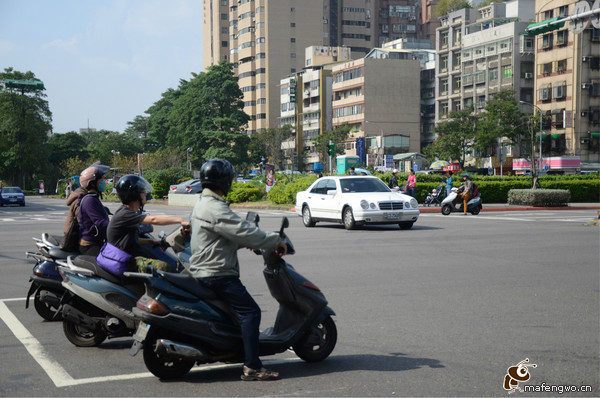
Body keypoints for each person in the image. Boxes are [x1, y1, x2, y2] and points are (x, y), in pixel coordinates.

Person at [188, 159, 287, 381]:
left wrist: (248, 243)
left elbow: (222, 237)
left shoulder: (203, 203)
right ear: (224, 181)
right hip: (217, 272)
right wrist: (275, 240)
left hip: (205, 268)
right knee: (251, 312)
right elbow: (244, 230)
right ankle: (252, 366)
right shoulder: (215, 207)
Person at [107, 174, 190, 271]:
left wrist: (152, 242)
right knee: (164, 267)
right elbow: (153, 220)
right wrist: (180, 220)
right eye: (142, 191)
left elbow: (132, 240)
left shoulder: (126, 211)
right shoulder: (125, 214)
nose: (145, 194)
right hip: (125, 261)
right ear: (134, 195)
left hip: (125, 257)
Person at [77, 163, 111, 256]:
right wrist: (117, 229)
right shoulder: (90, 200)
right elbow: (101, 222)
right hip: (90, 245)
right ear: (92, 183)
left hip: (96, 242)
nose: (104, 182)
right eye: (101, 180)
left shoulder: (93, 198)